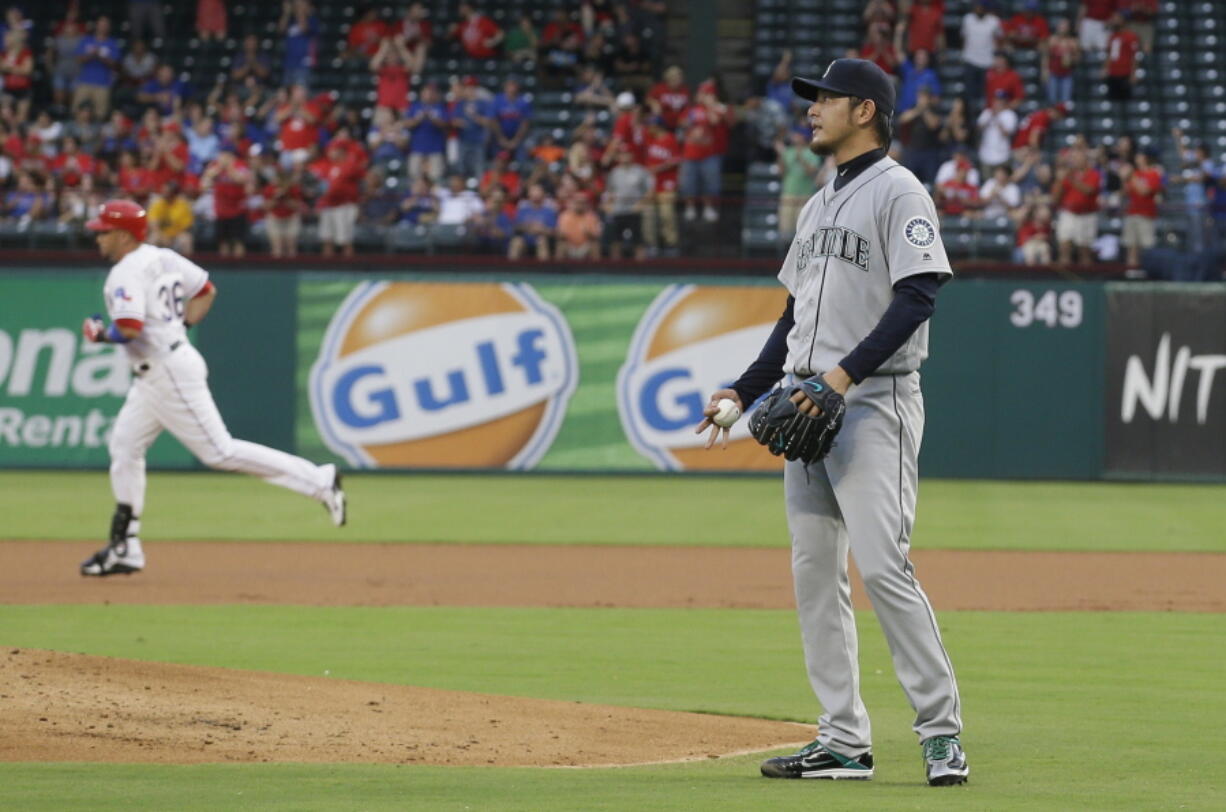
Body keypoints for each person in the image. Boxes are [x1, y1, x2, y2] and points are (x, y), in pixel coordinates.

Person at [695, 58, 967, 787]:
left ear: (866, 111)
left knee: (884, 566)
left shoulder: (900, 191)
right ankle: (843, 740)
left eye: (826, 99)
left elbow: (917, 298)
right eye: (812, 99)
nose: (812, 110)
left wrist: (842, 378)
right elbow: (794, 319)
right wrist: (743, 391)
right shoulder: (817, 205)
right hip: (805, 401)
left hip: (875, 401)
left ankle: (942, 734)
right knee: (816, 574)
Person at [78, 200, 345, 577]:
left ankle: (319, 481)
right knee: (124, 446)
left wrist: (101, 334)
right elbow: (206, 290)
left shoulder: (125, 272)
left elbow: (130, 328)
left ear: (122, 234)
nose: (98, 237)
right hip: (163, 365)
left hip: (166, 370)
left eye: (103, 231)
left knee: (220, 452)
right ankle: (125, 547)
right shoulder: (164, 258)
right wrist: (178, 329)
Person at [602, 147, 653, 259]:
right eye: (622, 155)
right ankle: (615, 269)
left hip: (635, 210)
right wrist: (608, 205)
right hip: (618, 210)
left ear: (632, 156)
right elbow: (609, 192)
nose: (625, 157)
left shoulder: (640, 171)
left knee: (638, 240)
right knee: (615, 241)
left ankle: (641, 269)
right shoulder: (614, 173)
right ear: (619, 157)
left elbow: (649, 191)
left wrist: (641, 204)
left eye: (627, 154)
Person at [201, 146, 253, 257]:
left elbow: (241, 180)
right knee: (222, 242)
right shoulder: (215, 166)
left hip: (238, 210)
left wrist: (229, 167)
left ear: (231, 156)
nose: (222, 157)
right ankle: (225, 267)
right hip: (221, 210)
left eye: (225, 155)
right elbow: (204, 184)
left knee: (238, 241)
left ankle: (240, 268)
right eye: (221, 155)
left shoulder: (241, 165)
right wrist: (219, 169)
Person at [1054, 148, 1101, 264]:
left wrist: (1070, 179)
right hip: (1069, 213)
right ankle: (1064, 279)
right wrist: (1060, 180)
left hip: (1087, 214)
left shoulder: (1093, 174)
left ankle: (1085, 278)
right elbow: (1056, 197)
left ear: (1086, 160)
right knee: (1064, 246)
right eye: (1073, 158)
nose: (1075, 161)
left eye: (1078, 158)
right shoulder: (1068, 174)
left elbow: (1089, 190)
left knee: (1084, 250)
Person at [775, 128, 823, 239]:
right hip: (788, 194)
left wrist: (800, 158)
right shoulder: (788, 151)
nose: (794, 137)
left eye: (797, 135)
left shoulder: (812, 152)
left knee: (803, 230)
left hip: (805, 196)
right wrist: (780, 155)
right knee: (785, 230)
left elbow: (812, 172)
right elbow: (781, 172)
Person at [1120, 148, 1162, 268]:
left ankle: (1148, 271)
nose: (1137, 158)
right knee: (1131, 245)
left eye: (1139, 156)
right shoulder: (1136, 174)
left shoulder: (1153, 174)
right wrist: (1123, 178)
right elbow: (1125, 192)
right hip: (1132, 213)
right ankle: (1131, 272)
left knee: (1147, 246)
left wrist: (1131, 176)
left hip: (1146, 214)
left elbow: (1144, 191)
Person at [73, 15, 122, 116]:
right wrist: (92, 54)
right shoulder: (87, 40)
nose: (103, 27)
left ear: (109, 27)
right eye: (101, 24)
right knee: (77, 111)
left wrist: (101, 56)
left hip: (103, 83)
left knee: (101, 113)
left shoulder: (112, 43)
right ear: (97, 25)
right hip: (84, 81)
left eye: (105, 25)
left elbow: (115, 64)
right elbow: (78, 59)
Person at [960, 2, 1001, 110]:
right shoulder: (967, 19)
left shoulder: (994, 21)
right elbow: (964, 38)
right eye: (977, 6)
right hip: (970, 60)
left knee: (985, 93)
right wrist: (963, 54)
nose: (978, 9)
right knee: (969, 94)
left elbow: (999, 39)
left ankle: (983, 116)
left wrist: (996, 57)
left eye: (981, 7)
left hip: (987, 62)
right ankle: (970, 118)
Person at [899, 86, 943, 186]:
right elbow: (903, 119)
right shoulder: (913, 107)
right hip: (912, 151)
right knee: (909, 181)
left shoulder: (934, 109)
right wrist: (918, 110)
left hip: (929, 152)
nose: (922, 99)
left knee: (930, 183)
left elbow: (933, 125)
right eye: (920, 96)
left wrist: (925, 110)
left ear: (929, 98)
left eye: (924, 97)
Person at [508, 181, 558, 260]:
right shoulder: (523, 210)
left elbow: (553, 231)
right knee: (516, 242)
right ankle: (511, 269)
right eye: (533, 191)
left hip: (541, 240)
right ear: (529, 194)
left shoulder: (549, 211)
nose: (535, 193)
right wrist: (528, 227)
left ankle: (544, 270)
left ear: (543, 194)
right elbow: (515, 227)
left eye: (538, 191)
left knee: (541, 241)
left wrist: (542, 230)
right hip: (525, 240)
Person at [278, 0, 320, 88]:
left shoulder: (312, 20)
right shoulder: (291, 21)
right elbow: (280, 30)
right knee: (287, 96)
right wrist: (286, 13)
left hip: (303, 65)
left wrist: (300, 10)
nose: (297, 6)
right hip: (289, 63)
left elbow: (304, 28)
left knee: (300, 94)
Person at [1102, 13, 1140, 105]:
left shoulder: (1131, 36)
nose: (1114, 21)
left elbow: (1134, 56)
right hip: (1112, 74)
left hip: (1125, 74)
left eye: (1117, 19)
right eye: (1114, 19)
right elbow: (1109, 55)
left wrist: (1133, 73)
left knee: (1126, 102)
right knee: (1112, 101)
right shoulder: (1112, 37)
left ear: (1123, 21)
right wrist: (1105, 68)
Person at [147, 181, 194, 254]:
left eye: (166, 191)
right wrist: (163, 236)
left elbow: (186, 227)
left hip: (177, 235)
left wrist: (172, 236)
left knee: (186, 239)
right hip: (161, 235)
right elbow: (153, 225)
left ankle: (185, 264)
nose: (163, 193)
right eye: (163, 191)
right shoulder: (158, 203)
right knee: (153, 238)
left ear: (174, 193)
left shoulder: (182, 205)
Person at [976, 91, 1017, 172]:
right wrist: (990, 117)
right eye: (997, 100)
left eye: (1001, 100)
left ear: (1005, 101)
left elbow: (1007, 133)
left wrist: (997, 118)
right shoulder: (987, 112)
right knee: (988, 182)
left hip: (1002, 155)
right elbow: (978, 129)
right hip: (986, 154)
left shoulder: (1010, 114)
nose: (998, 102)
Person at [1042, 18, 1079, 105]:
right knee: (1052, 100)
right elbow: (1046, 56)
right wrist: (1044, 70)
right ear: (1058, 27)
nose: (1063, 28)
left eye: (1065, 26)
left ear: (1068, 28)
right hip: (1053, 73)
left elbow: (1077, 59)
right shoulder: (1052, 40)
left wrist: (1071, 59)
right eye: (1061, 26)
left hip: (1067, 74)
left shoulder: (1073, 42)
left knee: (1065, 101)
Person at [555, 192, 601, 259]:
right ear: (573, 203)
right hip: (570, 246)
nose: (580, 205)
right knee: (561, 245)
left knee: (594, 245)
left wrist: (588, 233)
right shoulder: (565, 216)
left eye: (582, 203)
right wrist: (562, 234)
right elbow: (560, 234)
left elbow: (596, 236)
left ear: (586, 204)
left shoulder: (592, 216)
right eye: (577, 203)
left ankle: (597, 268)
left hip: (585, 246)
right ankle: (557, 268)